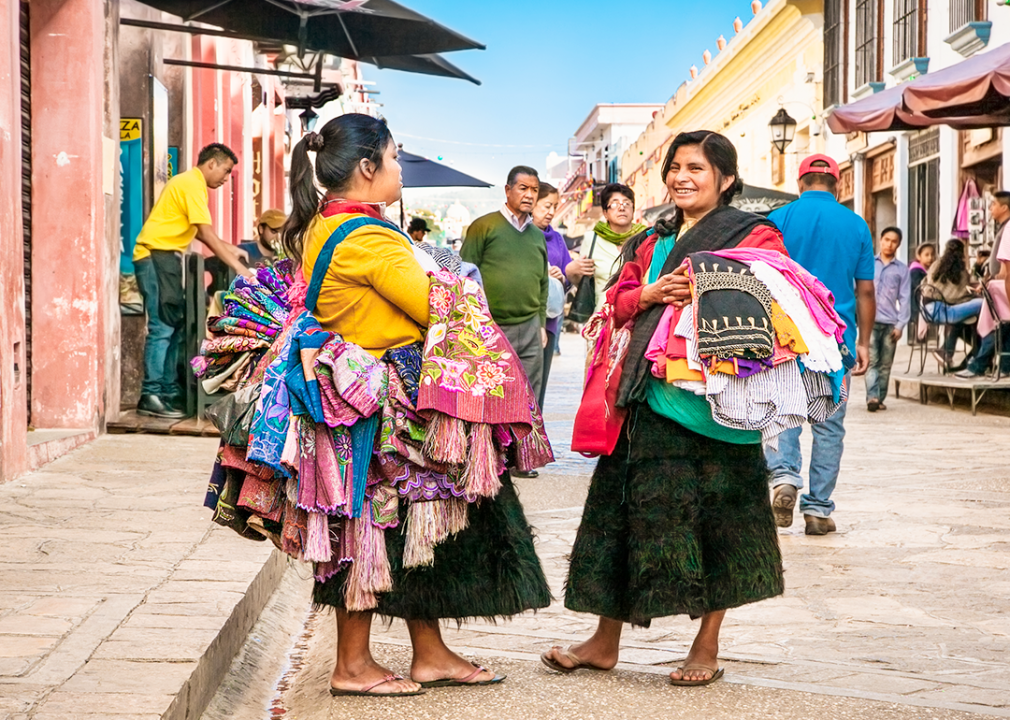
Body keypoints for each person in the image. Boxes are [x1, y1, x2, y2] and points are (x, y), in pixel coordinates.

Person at [283, 114, 550, 696]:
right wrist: (457, 276)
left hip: (363, 400)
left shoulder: (328, 226)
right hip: (380, 407)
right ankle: (351, 665)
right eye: (395, 157)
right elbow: (437, 306)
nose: (400, 169)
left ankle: (429, 653)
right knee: (370, 528)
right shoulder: (368, 237)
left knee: (405, 528)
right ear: (366, 167)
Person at [542, 131, 785, 687]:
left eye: (695, 168)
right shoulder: (650, 243)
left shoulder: (758, 236)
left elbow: (772, 300)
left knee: (722, 524)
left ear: (725, 178)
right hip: (647, 401)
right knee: (620, 516)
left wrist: (703, 285)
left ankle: (707, 643)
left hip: (720, 405)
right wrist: (649, 296)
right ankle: (604, 641)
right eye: (675, 167)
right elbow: (615, 303)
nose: (681, 177)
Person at [764, 154, 875, 536]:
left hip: (784, 339)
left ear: (800, 183)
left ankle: (783, 477)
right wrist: (864, 341)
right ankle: (818, 510)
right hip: (837, 342)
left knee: (784, 414)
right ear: (837, 184)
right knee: (829, 425)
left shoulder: (777, 220)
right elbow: (865, 290)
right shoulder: (857, 224)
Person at [133, 143, 252, 419]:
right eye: (225, 171)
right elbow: (206, 234)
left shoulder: (190, 184)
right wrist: (238, 267)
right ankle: (150, 394)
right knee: (162, 328)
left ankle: (166, 390)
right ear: (211, 163)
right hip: (154, 257)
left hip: (166, 257)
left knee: (174, 325)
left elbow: (200, 232)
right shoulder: (191, 184)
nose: (225, 178)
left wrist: (228, 247)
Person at [461, 166, 549, 460]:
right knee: (494, 393)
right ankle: (492, 456)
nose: (529, 195)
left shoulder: (537, 235)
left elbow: (543, 282)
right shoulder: (483, 227)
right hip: (492, 327)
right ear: (508, 190)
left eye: (534, 190)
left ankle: (524, 458)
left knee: (531, 395)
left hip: (529, 328)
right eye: (523, 188)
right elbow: (464, 275)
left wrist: (539, 323)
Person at [531, 182, 594, 409]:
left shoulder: (556, 238)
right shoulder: (522, 235)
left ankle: (535, 434)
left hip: (550, 317)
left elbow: (568, 274)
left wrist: (566, 274)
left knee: (540, 383)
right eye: (546, 206)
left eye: (554, 206)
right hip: (526, 318)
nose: (551, 212)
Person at [581, 183, 648, 309]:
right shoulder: (592, 239)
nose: (621, 208)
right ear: (605, 213)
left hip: (638, 315)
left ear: (633, 210)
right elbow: (582, 280)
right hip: (603, 315)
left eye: (627, 203)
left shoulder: (646, 238)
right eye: (615, 204)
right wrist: (573, 272)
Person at [866, 226, 910, 411]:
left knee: (885, 364)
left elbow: (905, 298)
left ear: (898, 245)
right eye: (886, 240)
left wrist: (900, 325)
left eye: (894, 241)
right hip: (869, 322)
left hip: (890, 323)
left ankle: (880, 397)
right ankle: (872, 397)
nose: (889, 244)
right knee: (872, 361)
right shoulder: (868, 263)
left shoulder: (902, 270)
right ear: (881, 240)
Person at [921, 239, 982, 372]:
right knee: (981, 304)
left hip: (927, 309)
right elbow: (957, 297)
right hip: (942, 311)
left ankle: (947, 351)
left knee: (960, 318)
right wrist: (973, 295)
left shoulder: (935, 265)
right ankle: (979, 350)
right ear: (962, 252)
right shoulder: (961, 270)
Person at [909, 242, 936, 338]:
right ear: (919, 256)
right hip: (916, 304)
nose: (930, 257)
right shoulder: (915, 271)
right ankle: (919, 339)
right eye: (926, 255)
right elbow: (920, 286)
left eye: (932, 254)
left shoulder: (927, 271)